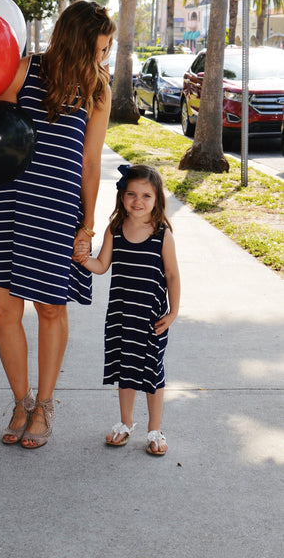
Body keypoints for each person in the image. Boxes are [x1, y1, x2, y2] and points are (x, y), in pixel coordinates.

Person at [0, 1, 117, 449]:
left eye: (107, 51)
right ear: (76, 40)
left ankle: (45, 405)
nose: (103, 58)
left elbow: (91, 163)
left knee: (50, 308)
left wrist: (87, 225)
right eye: (99, 49)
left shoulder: (98, 89)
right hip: (8, 201)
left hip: (56, 211)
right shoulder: (25, 69)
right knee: (3, 310)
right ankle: (21, 400)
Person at [75, 163, 180, 456]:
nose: (138, 201)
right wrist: (84, 259)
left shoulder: (162, 235)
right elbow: (102, 265)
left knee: (152, 372)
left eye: (146, 195)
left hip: (152, 318)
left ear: (157, 199)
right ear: (122, 197)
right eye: (131, 194)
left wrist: (173, 312)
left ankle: (155, 430)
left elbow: (172, 275)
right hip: (121, 315)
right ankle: (125, 424)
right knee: (125, 370)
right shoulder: (116, 229)